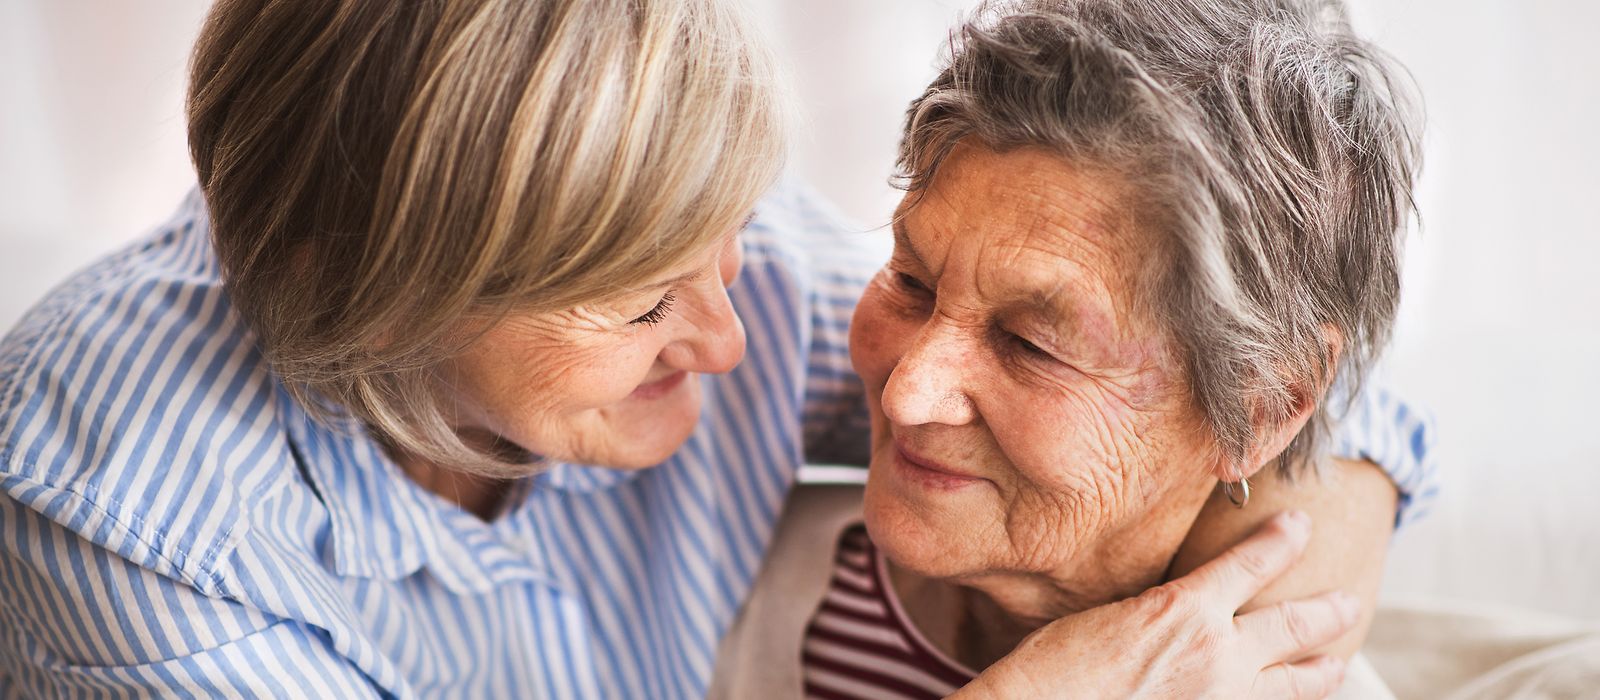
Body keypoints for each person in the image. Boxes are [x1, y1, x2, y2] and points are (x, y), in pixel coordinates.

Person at [0, 0, 1432, 696]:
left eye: (723, 237)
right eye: (634, 304)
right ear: (375, 310)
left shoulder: (770, 288)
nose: (743, 335)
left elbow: (1283, 367)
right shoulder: (131, 507)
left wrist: (1306, 538)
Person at [711, 0, 1431, 697]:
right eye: (911, 282)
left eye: (1030, 345)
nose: (908, 390)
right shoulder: (732, 571)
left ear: (1265, 408)